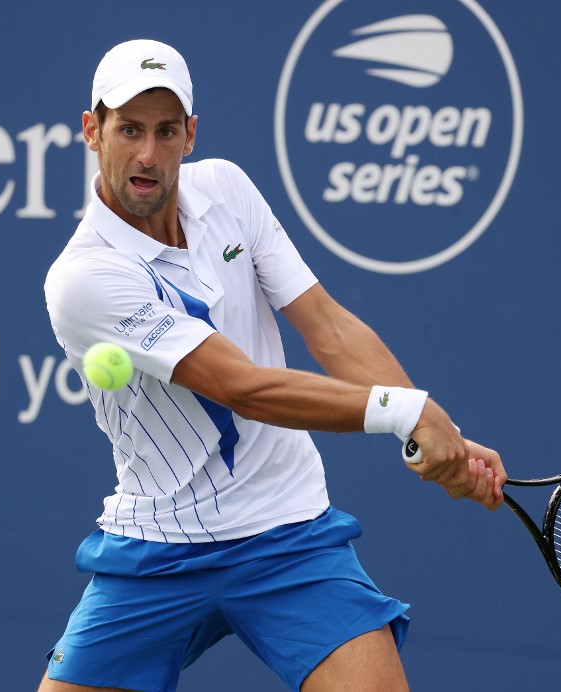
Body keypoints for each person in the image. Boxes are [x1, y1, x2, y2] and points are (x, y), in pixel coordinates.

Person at [40, 39, 507, 692]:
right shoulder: (84, 279)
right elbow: (243, 388)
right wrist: (408, 411)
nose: (147, 155)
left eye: (166, 131)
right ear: (93, 131)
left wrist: (435, 431)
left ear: (190, 135)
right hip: (157, 552)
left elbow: (330, 327)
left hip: (288, 537)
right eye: (130, 130)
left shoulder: (228, 191)